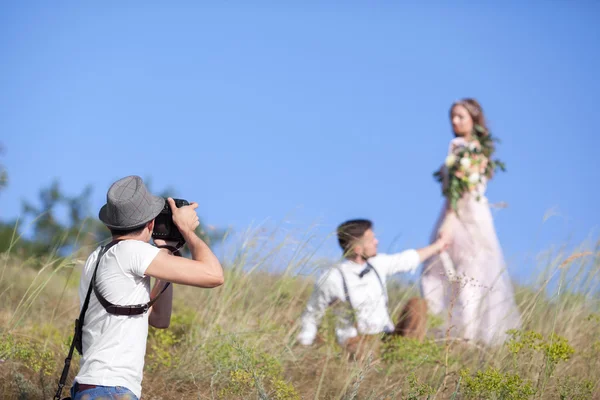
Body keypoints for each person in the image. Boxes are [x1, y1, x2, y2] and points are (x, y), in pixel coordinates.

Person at [70, 175, 224, 400]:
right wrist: (186, 230)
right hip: (111, 389)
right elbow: (214, 275)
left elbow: (160, 319)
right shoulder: (133, 252)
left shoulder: (99, 257)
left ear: (109, 224)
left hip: (89, 387)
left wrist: (167, 250)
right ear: (150, 223)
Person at [420, 98, 521, 346]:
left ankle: (463, 334)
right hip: (473, 214)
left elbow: (460, 189)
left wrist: (449, 221)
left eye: (460, 116)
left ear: (474, 119)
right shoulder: (479, 149)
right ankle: (458, 332)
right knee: (453, 273)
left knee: (451, 273)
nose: (455, 122)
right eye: (452, 117)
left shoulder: (461, 147)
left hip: (463, 216)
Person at [296, 219, 450, 351]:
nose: (376, 242)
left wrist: (438, 245)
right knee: (359, 347)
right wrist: (303, 344)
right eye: (371, 239)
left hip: (387, 337)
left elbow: (408, 259)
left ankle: (407, 356)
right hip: (357, 343)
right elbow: (312, 314)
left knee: (418, 304)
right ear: (357, 248)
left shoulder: (378, 263)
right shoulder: (332, 277)